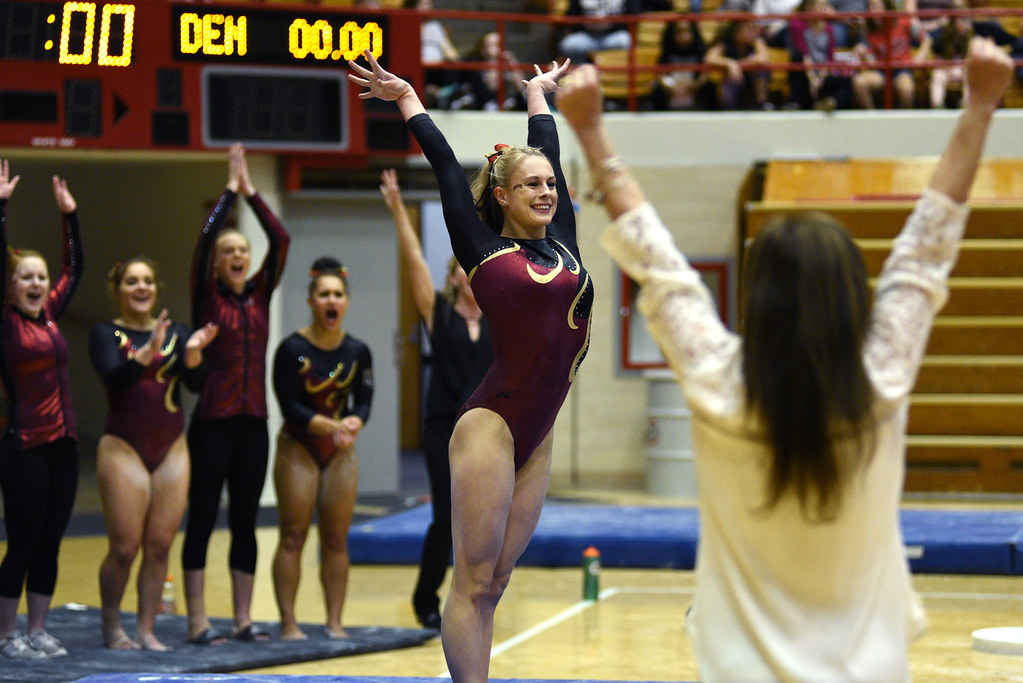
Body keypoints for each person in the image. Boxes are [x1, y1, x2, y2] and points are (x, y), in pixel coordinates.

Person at [556, 37, 1012, 682]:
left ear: (757, 300)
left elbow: (657, 262)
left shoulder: (718, 384)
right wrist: (980, 107)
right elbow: (928, 243)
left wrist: (590, 131)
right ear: (854, 299)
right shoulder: (880, 380)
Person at [347, 53, 592, 683]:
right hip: (492, 425)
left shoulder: (564, 238)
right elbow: (443, 165)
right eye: (531, 185)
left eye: (550, 184)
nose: (546, 192)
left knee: (497, 582)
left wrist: (537, 94)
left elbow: (548, 150)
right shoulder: (481, 248)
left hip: (539, 431)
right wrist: (407, 98)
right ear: (503, 196)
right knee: (473, 580)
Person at [182, 143, 290, 645]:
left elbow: (280, 239)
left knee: (245, 522)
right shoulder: (206, 296)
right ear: (217, 264)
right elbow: (205, 241)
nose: (237, 258)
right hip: (212, 423)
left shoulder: (260, 294)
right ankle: (198, 620)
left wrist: (253, 195)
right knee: (203, 517)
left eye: (242, 252)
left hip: (253, 423)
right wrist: (228, 193)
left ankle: (243, 619)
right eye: (229, 253)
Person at [379, 169, 492, 631]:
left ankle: (475, 598)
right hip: (444, 427)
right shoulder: (439, 313)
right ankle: (426, 596)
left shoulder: (499, 316)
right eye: (463, 267)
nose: (471, 272)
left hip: (486, 431)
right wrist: (397, 210)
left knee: (482, 522)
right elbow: (414, 263)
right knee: (445, 517)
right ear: (454, 276)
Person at [89, 258, 218, 651]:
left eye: (147, 281)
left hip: (171, 447)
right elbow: (115, 378)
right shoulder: (105, 333)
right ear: (117, 291)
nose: (141, 288)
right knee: (125, 547)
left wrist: (193, 354)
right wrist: (145, 354)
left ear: (157, 288)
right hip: (123, 445)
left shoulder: (177, 332)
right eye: (132, 282)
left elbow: (196, 385)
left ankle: (146, 629)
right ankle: (112, 625)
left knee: (160, 546)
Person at [0, 165, 83, 659]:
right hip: (24, 446)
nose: (35, 283)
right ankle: (5, 634)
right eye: (25, 277)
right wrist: (1, 209)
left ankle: (37, 630)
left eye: (40, 277)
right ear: (10, 286)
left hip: (64, 446)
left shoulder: (49, 316)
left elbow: (75, 270)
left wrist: (69, 218)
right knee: (24, 541)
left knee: (50, 542)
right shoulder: (6, 324)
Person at [271, 257, 373, 641]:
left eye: (338, 294)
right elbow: (290, 406)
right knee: (293, 534)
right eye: (324, 294)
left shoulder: (358, 351)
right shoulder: (291, 349)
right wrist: (332, 426)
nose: (331, 300)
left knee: (335, 538)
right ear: (311, 301)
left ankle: (334, 621)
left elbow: (364, 400)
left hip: (338, 449)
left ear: (346, 301)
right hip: (298, 445)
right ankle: (288, 622)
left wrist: (355, 422)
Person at [851, 0, 919, 108]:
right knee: (859, 83)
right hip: (880, 70)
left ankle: (903, 118)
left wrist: (917, 59)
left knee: (907, 89)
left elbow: (926, 39)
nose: (873, 11)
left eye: (876, 6)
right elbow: (871, 60)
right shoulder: (867, 29)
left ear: (887, 7)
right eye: (870, 7)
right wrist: (863, 53)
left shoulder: (903, 21)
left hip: (901, 69)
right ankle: (873, 117)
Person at [788, 0, 854, 110]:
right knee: (796, 57)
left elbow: (829, 58)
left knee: (848, 81)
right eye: (821, 6)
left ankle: (831, 102)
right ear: (809, 8)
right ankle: (795, 103)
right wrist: (813, 78)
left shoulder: (828, 28)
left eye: (825, 5)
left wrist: (820, 78)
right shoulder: (798, 24)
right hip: (806, 71)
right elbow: (803, 53)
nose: (824, 9)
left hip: (822, 72)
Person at [704, 20, 772, 110]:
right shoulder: (726, 42)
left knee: (761, 70)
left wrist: (737, 65)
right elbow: (709, 58)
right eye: (749, 29)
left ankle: (761, 105)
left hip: (751, 79)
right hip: (733, 79)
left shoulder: (756, 40)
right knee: (730, 77)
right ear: (737, 32)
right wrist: (729, 63)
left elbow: (763, 58)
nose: (754, 32)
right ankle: (728, 110)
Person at [651, 19, 715, 111]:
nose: (683, 36)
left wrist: (695, 86)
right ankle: (659, 118)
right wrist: (669, 88)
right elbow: (660, 75)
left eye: (687, 31)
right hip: (673, 90)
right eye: (679, 32)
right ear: (672, 34)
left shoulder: (699, 50)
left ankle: (710, 117)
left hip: (694, 90)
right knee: (657, 91)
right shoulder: (667, 51)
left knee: (710, 87)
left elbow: (705, 74)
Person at [557, 0, 640, 64]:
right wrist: (587, 22)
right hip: (588, 35)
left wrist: (610, 22)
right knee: (569, 45)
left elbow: (633, 15)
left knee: (626, 41)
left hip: (613, 35)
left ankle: (614, 73)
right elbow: (571, 16)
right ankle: (586, 71)